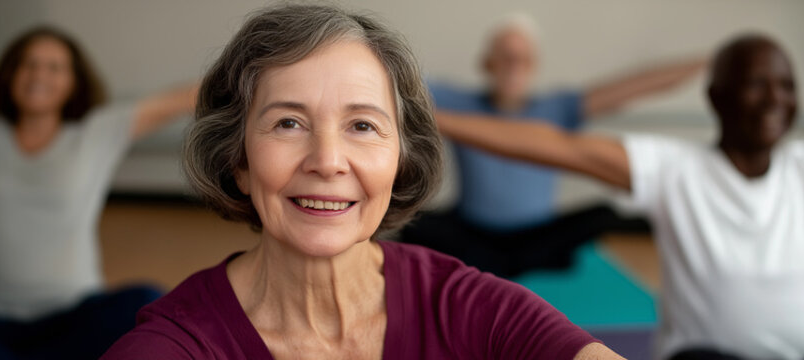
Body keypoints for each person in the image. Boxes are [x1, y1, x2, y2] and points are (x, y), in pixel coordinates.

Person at [102, 5, 624, 360]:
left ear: (401, 159)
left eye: (362, 126)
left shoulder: (463, 303)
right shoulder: (176, 345)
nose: (328, 161)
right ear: (236, 159)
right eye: (288, 122)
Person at [434, 33, 804, 360]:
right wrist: (435, 118)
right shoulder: (672, 168)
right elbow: (556, 145)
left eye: (786, 85)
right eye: (755, 84)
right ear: (718, 97)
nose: (774, 97)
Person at [0, 26, 197, 359]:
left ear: (74, 82)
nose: (38, 75)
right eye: (27, 64)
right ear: (10, 74)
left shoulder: (97, 132)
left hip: (74, 320)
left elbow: (177, 100)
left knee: (146, 299)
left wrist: (250, 82)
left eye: (54, 67)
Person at [402, 14, 706, 277]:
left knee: (605, 214)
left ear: (534, 65)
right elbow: (396, 74)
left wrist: (710, 61)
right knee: (412, 223)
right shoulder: (459, 102)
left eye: (522, 59)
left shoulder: (557, 108)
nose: (514, 66)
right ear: (487, 63)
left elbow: (633, 87)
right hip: (473, 235)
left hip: (539, 239)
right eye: (505, 57)